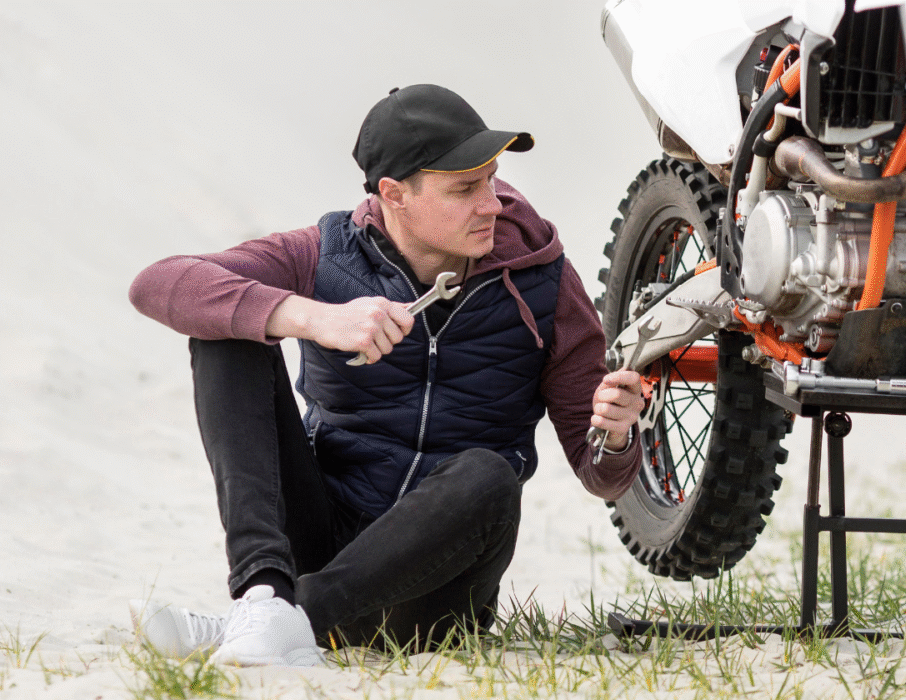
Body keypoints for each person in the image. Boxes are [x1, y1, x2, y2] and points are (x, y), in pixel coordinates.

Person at [127, 84, 644, 666]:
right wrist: (316, 319)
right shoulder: (326, 255)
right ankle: (264, 594)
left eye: (492, 180)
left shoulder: (542, 279)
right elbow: (158, 283)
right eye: (465, 188)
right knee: (227, 334)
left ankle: (277, 621)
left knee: (489, 474)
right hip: (318, 540)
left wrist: (617, 432)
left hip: (434, 590)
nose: (493, 204)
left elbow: (602, 474)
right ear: (395, 194)